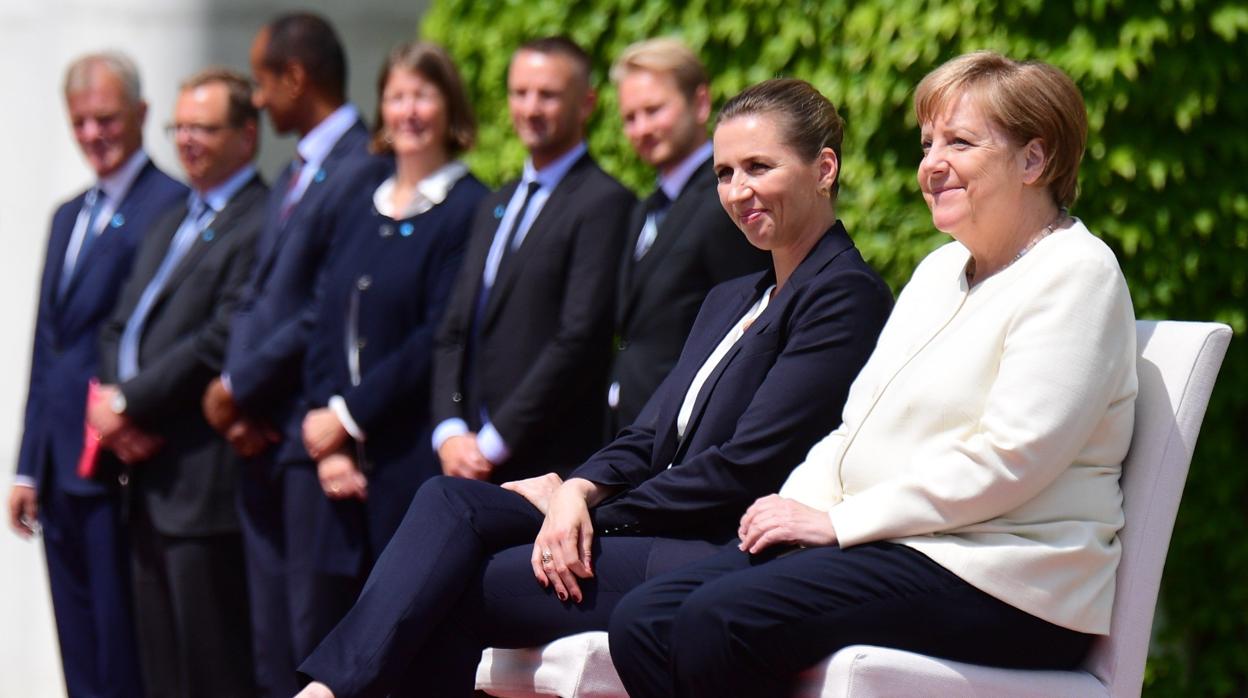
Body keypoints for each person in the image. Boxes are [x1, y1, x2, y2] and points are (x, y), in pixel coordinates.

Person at [295, 77, 894, 698]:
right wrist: (577, 488)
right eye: (723, 173)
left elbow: (744, 468)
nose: (737, 191)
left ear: (824, 169)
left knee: (464, 581)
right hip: (651, 520)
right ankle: (326, 691)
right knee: (450, 503)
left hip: (717, 544)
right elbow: (645, 435)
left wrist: (589, 513)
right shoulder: (730, 298)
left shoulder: (842, 295)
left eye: (758, 167)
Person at [608, 53, 1139, 698]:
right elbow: (853, 429)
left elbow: (1011, 457)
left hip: (1005, 577)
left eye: (960, 143)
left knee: (718, 622)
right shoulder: (937, 273)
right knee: (643, 619)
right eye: (927, 144)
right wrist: (797, 506)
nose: (931, 165)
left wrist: (841, 524)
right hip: (896, 545)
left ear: (1035, 160)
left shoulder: (1076, 273)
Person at [198, 12, 381, 695]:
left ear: (296, 77)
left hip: (309, 440)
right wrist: (231, 399)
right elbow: (259, 296)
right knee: (270, 646)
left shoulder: (362, 166)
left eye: (261, 80)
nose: (257, 97)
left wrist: (242, 385)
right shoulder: (294, 171)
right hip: (260, 437)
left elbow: (325, 308)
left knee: (312, 642)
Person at [8, 51, 186, 697]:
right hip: (60, 466)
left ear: (140, 114)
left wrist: (134, 416)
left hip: (118, 460)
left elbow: (160, 333)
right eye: (80, 122)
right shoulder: (66, 215)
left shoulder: (170, 205)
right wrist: (28, 465)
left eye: (106, 118)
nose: (93, 135)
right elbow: (47, 345)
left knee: (122, 647)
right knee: (77, 645)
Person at [90, 67, 266, 698]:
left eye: (204, 128)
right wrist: (116, 408)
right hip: (144, 478)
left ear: (247, 136)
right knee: (159, 670)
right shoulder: (172, 218)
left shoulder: (259, 219)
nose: (187, 140)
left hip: (200, 483)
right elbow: (119, 325)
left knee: (209, 669)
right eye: (180, 127)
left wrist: (129, 402)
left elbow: (218, 339)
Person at [298, 42, 488, 604]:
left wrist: (348, 416)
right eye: (396, 97)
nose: (407, 112)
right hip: (341, 466)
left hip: (411, 455)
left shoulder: (469, 206)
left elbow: (438, 333)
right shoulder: (363, 202)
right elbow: (326, 319)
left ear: (450, 107)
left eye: (422, 97)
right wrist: (330, 436)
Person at [430, 37, 636, 484]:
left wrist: (493, 442)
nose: (531, 108)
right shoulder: (494, 203)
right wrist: (449, 431)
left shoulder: (606, 203)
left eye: (548, 94)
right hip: (463, 456)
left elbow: (580, 338)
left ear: (586, 103)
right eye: (520, 93)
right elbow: (454, 328)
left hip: (548, 463)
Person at [606, 37, 769, 435]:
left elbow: (744, 325)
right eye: (630, 117)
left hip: (687, 434)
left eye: (654, 110)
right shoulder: (643, 208)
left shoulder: (727, 204)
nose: (641, 128)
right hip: (629, 432)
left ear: (699, 103)